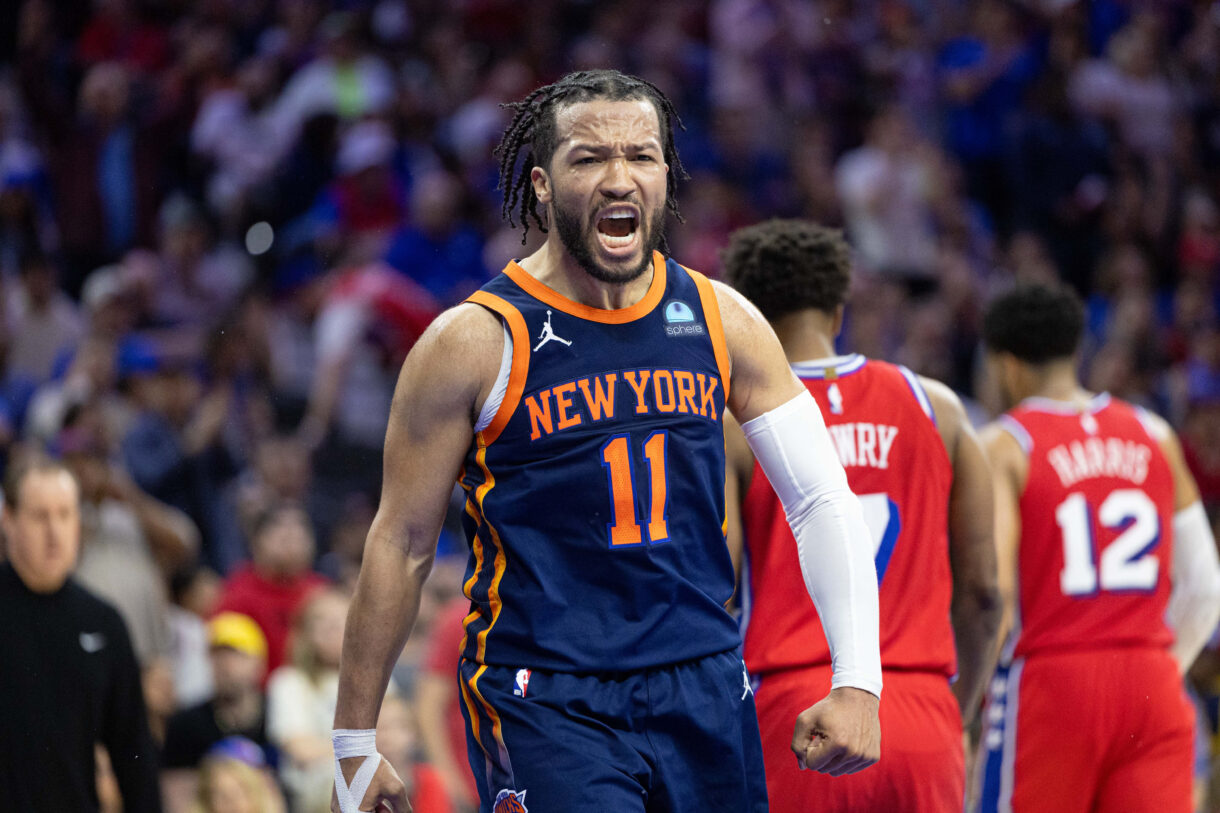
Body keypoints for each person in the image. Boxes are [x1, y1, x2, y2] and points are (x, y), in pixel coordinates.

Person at [331, 69, 882, 813]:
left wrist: (858, 681)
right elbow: (401, 540)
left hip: (704, 679)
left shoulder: (721, 319)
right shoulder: (473, 341)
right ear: (542, 185)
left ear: (665, 176)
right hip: (546, 694)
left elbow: (819, 498)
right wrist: (354, 741)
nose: (619, 177)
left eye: (641, 155)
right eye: (589, 158)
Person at [721, 219, 1002, 812]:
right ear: (838, 312)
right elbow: (984, 591)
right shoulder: (941, 409)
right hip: (921, 710)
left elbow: (716, 586)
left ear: (747, 317)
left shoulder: (736, 424)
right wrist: (957, 711)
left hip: (795, 710)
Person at [974, 284, 1220, 812]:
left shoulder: (1005, 444)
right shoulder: (1156, 434)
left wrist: (967, 699)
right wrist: (1156, 671)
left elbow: (993, 594)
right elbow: (1205, 588)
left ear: (1006, 366)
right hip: (1151, 680)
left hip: (1054, 681)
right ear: (1075, 350)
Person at [0, 455, 161, 811]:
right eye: (40, 516)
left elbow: (133, 750)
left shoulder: (103, 622)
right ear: (8, 520)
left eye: (65, 514)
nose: (54, 533)